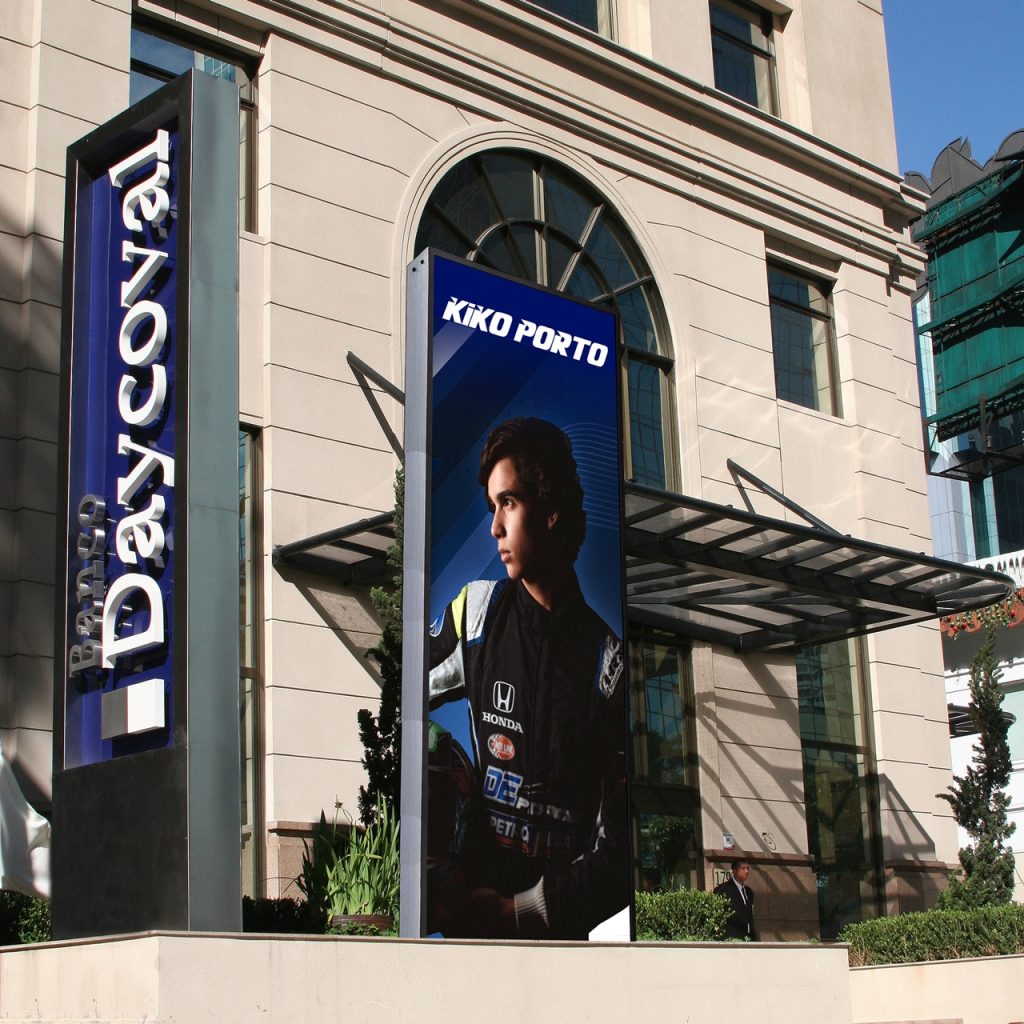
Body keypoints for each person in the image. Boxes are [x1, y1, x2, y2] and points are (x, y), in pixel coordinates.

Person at [428, 417, 627, 939]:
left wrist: (519, 910)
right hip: (471, 935)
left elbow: (620, 855)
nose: (494, 527)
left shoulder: (610, 663)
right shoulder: (475, 612)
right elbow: (391, 697)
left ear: (550, 509)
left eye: (509, 503)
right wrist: (432, 762)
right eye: (492, 507)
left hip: (557, 948)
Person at [713, 859, 758, 940]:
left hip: (748, 937)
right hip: (732, 937)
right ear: (734, 871)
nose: (747, 871)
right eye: (743, 868)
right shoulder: (723, 890)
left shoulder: (749, 891)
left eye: (748, 868)